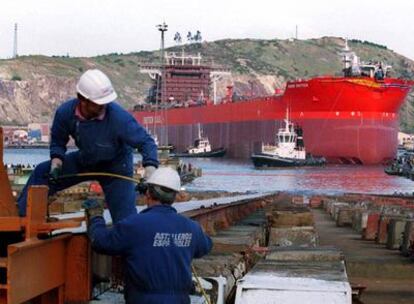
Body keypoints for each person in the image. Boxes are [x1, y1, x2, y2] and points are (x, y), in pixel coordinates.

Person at [17, 69, 159, 223]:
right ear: (82, 99)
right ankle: (21, 223)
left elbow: (147, 142)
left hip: (116, 167)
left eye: (105, 103)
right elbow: (58, 141)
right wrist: (56, 162)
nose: (103, 107)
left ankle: (128, 240)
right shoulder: (65, 113)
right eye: (98, 104)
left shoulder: (119, 118)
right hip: (85, 160)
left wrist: (150, 170)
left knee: (126, 222)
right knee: (41, 173)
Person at [83, 167, 212, 304]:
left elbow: (100, 241)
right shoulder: (191, 227)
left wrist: (96, 216)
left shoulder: (134, 225)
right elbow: (206, 246)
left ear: (149, 193)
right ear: (174, 197)